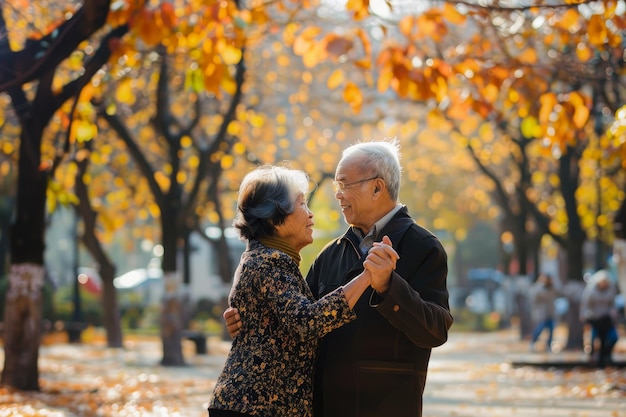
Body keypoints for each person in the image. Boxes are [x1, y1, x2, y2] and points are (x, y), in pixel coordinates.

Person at [225, 140, 454, 417]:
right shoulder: (330, 253)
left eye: (344, 184)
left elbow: (436, 330)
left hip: (387, 406)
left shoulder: (422, 246)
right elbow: (300, 324)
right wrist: (253, 319)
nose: (337, 194)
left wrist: (388, 287)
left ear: (377, 187)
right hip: (325, 407)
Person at [208, 165, 399, 417]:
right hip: (254, 405)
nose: (310, 214)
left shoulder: (273, 260)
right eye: (301, 205)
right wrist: (367, 277)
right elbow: (307, 322)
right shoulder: (268, 262)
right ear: (274, 215)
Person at [580, 269, 619, 367]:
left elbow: (613, 304)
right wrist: (584, 314)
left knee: (611, 337)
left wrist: (613, 312)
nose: (604, 284)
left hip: (606, 318)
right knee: (593, 338)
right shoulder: (591, 290)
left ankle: (606, 356)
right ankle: (594, 357)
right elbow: (585, 303)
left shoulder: (611, 288)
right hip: (594, 318)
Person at [528, 273, 560, 352]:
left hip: (551, 313)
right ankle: (533, 342)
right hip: (542, 313)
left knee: (551, 330)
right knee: (540, 328)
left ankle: (549, 345)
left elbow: (559, 293)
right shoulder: (539, 288)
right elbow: (533, 298)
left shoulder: (553, 288)